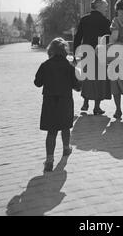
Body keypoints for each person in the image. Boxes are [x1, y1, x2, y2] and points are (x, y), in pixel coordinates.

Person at [34, 38, 78, 172]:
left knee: (51, 132)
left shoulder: (45, 65)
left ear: (50, 50)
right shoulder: (69, 66)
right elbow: (77, 86)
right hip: (65, 101)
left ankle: (49, 160)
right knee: (65, 127)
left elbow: (37, 83)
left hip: (50, 102)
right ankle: (66, 149)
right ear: (65, 50)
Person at [73, 0, 111, 115]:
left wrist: (75, 52)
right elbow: (109, 39)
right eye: (105, 7)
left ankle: (85, 102)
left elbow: (78, 36)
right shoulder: (105, 21)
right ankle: (97, 107)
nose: (106, 9)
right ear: (98, 6)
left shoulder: (84, 19)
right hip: (100, 52)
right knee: (99, 80)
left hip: (86, 51)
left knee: (87, 78)